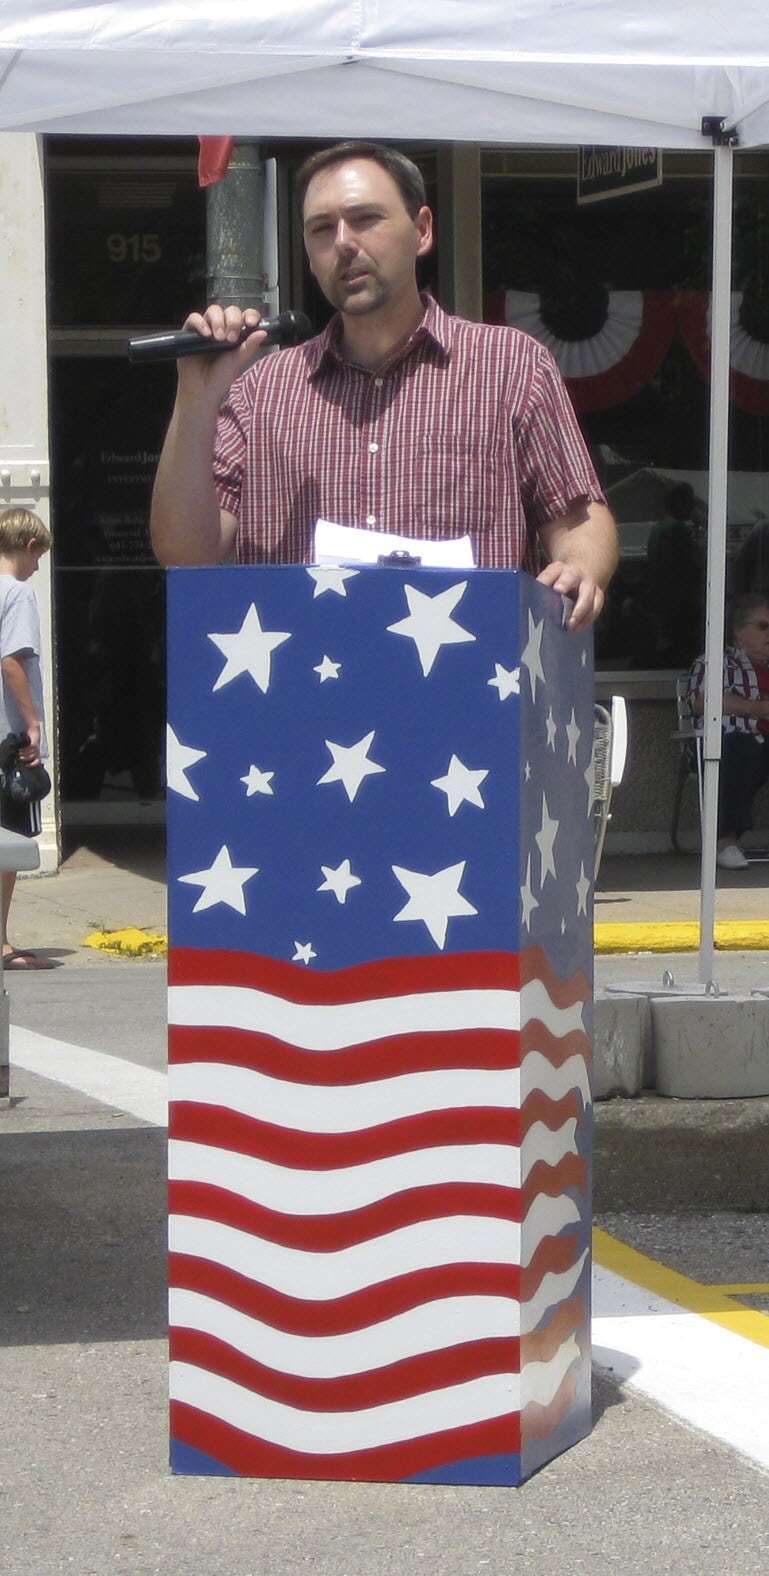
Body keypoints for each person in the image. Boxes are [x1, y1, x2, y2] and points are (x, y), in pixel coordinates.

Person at [151, 141, 617, 629]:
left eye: (366, 218)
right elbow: (186, 552)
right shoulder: (262, 391)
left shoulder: (511, 368)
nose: (345, 243)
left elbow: (578, 517)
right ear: (309, 255)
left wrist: (580, 569)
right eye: (322, 230)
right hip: (303, 691)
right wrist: (196, 398)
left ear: (422, 231)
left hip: (465, 687)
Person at [0, 507, 53, 968]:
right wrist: (32, 725)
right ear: (30, 546)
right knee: (8, 846)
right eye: (39, 557)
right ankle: (0, 941)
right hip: (6, 741)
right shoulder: (17, 594)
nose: (38, 568)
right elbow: (13, 660)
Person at [687, 593, 769, 869]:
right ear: (738, 632)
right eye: (762, 626)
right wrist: (755, 709)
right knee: (744, 749)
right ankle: (726, 840)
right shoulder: (717, 662)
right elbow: (702, 700)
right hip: (731, 741)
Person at [645, 482, 704, 667]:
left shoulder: (659, 527)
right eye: (688, 503)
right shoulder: (677, 529)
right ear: (680, 503)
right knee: (682, 648)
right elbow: (696, 562)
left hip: (661, 596)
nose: (691, 507)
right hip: (677, 600)